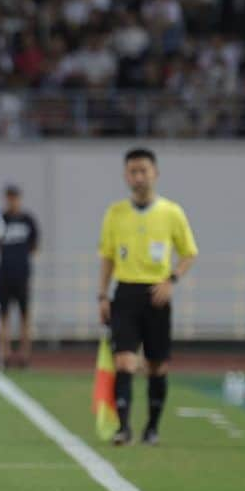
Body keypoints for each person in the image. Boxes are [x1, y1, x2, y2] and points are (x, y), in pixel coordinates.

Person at [98, 148, 198, 446]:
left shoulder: (171, 212)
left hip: (156, 294)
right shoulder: (115, 213)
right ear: (126, 176)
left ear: (155, 173)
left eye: (143, 170)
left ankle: (152, 428)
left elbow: (189, 253)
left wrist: (172, 280)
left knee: (157, 365)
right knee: (124, 362)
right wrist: (102, 295)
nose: (138, 177)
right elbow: (107, 257)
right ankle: (124, 428)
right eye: (133, 171)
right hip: (125, 292)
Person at [0, 185, 39, 368]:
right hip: (4, 274)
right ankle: (4, 353)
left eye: (15, 198)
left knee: (25, 316)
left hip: (22, 274)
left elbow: (34, 245)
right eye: (9, 198)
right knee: (4, 315)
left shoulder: (28, 220)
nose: (12, 201)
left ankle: (25, 355)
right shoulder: (1, 220)